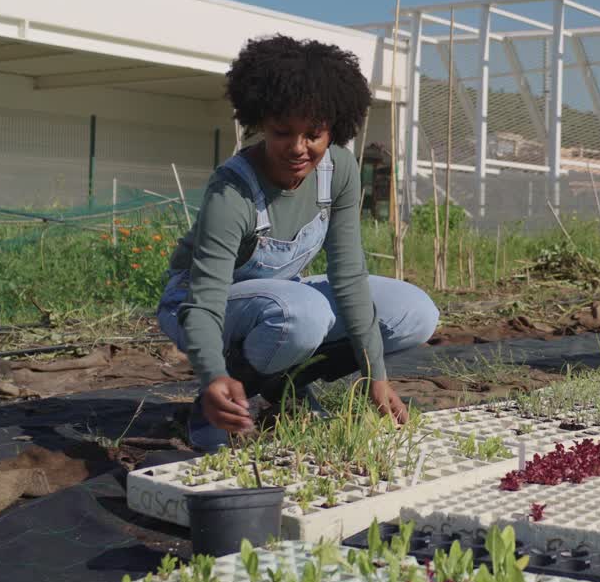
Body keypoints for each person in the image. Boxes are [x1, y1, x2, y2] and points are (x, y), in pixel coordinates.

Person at [157, 34, 438, 451]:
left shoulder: (338, 171)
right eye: (282, 132)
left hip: (277, 298)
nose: (298, 148)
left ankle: (286, 390)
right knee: (301, 316)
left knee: (414, 312)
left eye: (314, 134)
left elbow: (348, 274)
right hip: (196, 303)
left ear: (334, 129)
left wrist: (375, 377)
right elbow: (206, 301)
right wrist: (213, 374)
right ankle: (217, 400)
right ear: (261, 123)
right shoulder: (232, 192)